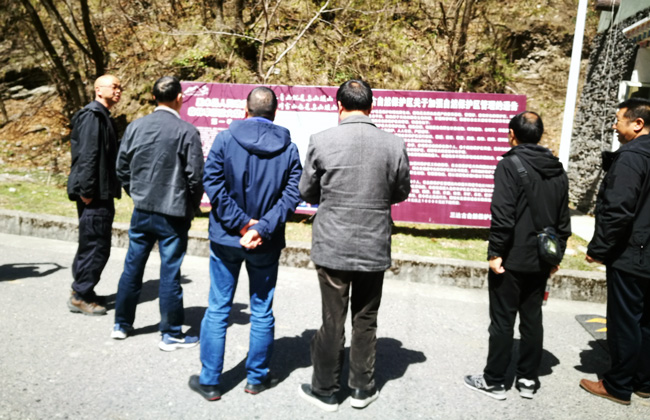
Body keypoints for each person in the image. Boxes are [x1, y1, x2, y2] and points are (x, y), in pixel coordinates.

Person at [297, 79, 411, 412]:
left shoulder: (322, 140)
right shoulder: (393, 144)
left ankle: (325, 390)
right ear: (371, 107)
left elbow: (307, 191)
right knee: (366, 318)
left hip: (333, 242)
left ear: (339, 105)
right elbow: (401, 190)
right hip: (374, 242)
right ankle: (362, 388)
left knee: (332, 319)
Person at [188, 87, 301, 401]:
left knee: (218, 307)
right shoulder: (289, 148)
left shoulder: (225, 140)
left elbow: (212, 183)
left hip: (227, 237)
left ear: (245, 109)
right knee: (262, 309)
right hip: (266, 241)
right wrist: (261, 227)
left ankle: (210, 381)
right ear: (274, 113)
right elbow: (292, 194)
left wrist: (241, 223)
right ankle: (256, 378)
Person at [464, 111, 570, 400]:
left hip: (511, 257)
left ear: (512, 134)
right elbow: (563, 219)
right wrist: (556, 255)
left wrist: (496, 252)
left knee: (502, 320)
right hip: (542, 258)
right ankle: (527, 380)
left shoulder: (509, 165)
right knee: (532, 318)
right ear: (540, 135)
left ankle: (495, 381)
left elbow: (503, 214)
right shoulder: (558, 169)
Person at [111, 76, 204, 351]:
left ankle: (121, 324)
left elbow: (121, 167)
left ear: (153, 97)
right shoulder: (187, 131)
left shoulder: (136, 126)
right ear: (180, 98)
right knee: (170, 272)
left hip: (142, 208)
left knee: (132, 266)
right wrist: (191, 206)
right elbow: (196, 177)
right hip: (173, 211)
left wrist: (135, 192)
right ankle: (171, 333)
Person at [580, 97, 650, 405]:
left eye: (618, 119)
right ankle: (644, 382)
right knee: (647, 321)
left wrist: (599, 248)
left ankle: (617, 385)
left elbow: (618, 209)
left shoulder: (632, 157)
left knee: (625, 320)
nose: (614, 125)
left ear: (638, 123)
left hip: (632, 253)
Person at [67, 74, 122, 316]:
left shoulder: (102, 115)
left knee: (92, 242)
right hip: (94, 193)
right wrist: (87, 190)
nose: (118, 91)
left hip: (100, 190)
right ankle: (80, 295)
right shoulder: (93, 116)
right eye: (114, 86)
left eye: (120, 87)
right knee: (96, 244)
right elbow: (88, 155)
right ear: (99, 90)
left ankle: (82, 289)